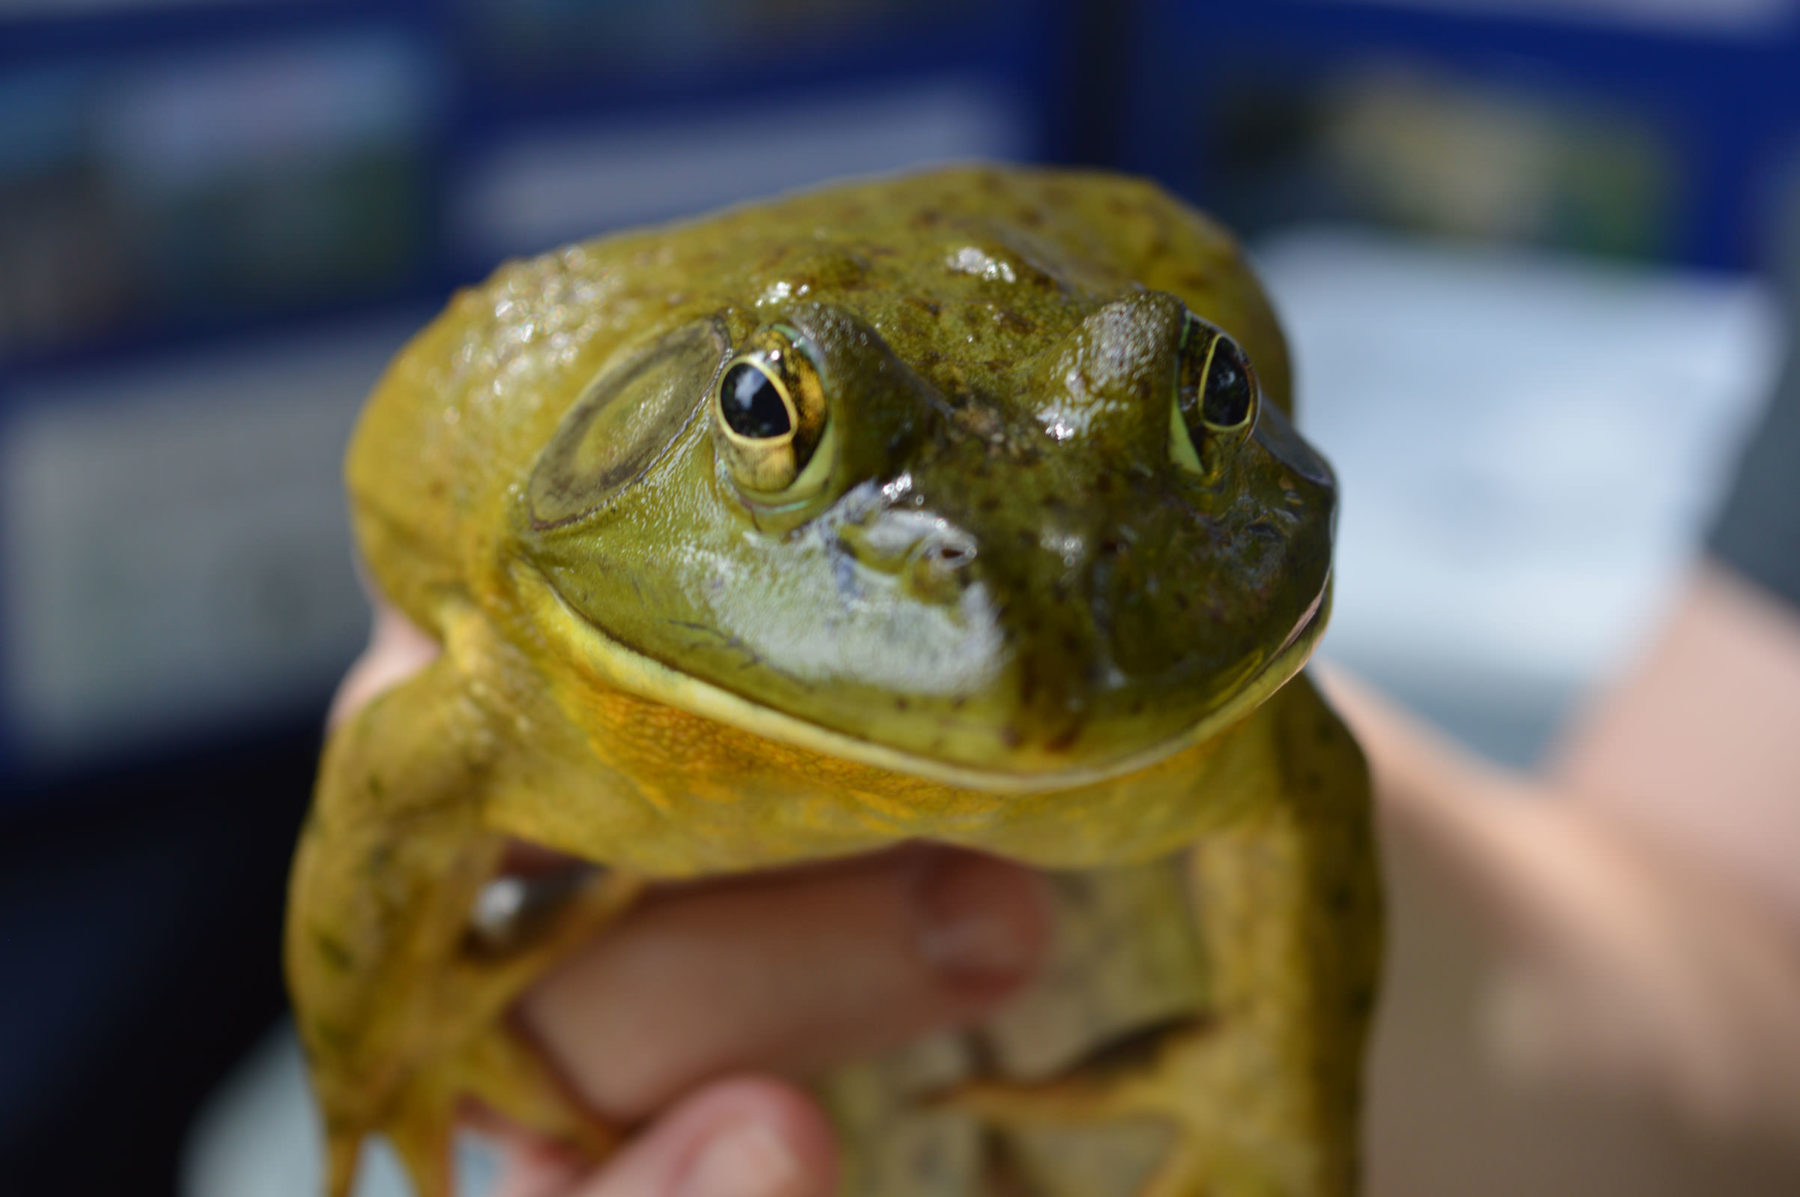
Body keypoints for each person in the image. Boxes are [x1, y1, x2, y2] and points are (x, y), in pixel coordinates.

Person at [325, 226, 1800, 1197]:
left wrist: (1278, 1092)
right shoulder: (519, 651)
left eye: (1197, 404)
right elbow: (1739, 929)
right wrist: (397, 1043)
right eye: (776, 417)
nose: (1009, 646)